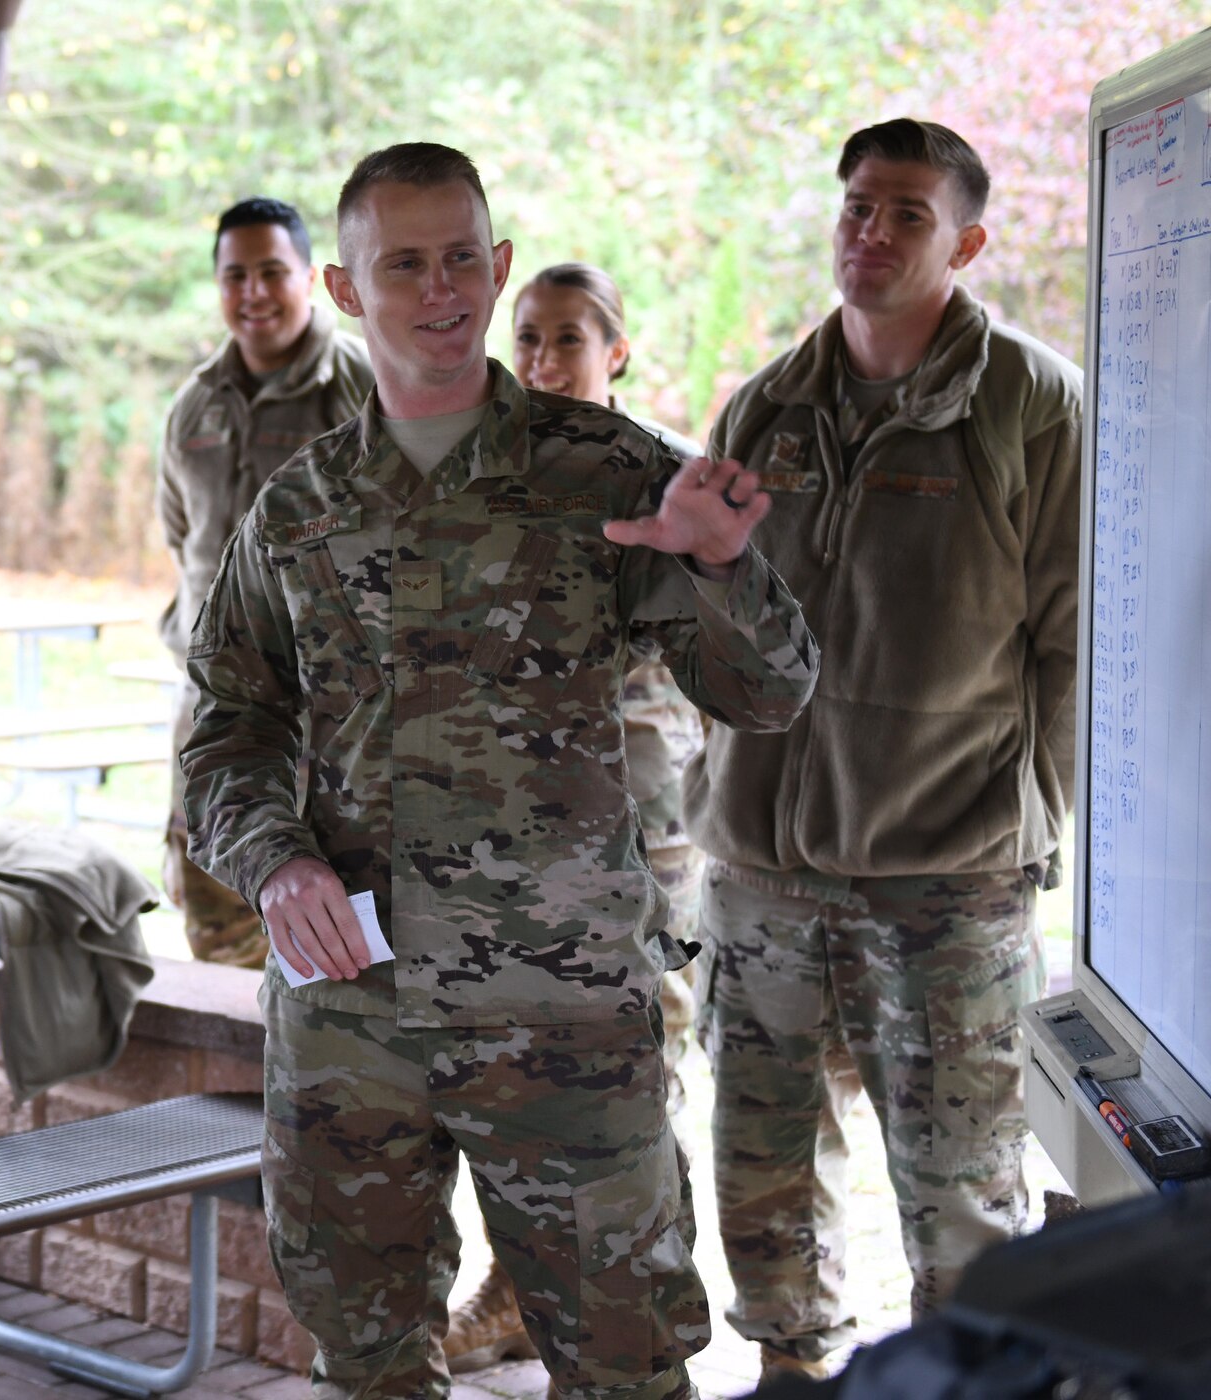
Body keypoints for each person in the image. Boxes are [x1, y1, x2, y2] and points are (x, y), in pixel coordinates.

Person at [182, 141, 820, 1400]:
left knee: (628, 1364)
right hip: (352, 1014)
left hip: (566, 1014)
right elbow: (225, 727)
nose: (439, 289)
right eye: (402, 263)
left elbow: (770, 687)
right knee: (367, 1362)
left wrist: (715, 569)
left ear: (500, 265)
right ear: (346, 288)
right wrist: (273, 855)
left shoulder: (608, 470)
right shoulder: (297, 508)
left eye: (462, 257)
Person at [685, 118, 1082, 1383]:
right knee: (759, 1165)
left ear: (964, 239)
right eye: (855, 205)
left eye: (904, 213)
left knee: (959, 1188)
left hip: (945, 871)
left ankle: (968, 1377)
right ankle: (792, 1369)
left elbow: (1075, 637)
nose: (868, 232)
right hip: (757, 866)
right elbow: (716, 617)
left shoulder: (1027, 400)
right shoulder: (767, 404)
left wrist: (1034, 824)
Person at [442, 263, 717, 1374]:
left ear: (618, 351)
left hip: (637, 829)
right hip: (515, 835)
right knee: (511, 1073)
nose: (546, 361)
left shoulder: (660, 481)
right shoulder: (486, 475)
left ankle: (647, 1315)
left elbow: (732, 654)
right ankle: (513, 1290)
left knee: (635, 1075)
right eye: (530, 339)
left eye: (568, 338)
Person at [157, 196, 372, 967]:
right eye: (235, 275)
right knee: (219, 953)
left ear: (309, 278)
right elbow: (182, 542)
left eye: (272, 272)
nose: (253, 292)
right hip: (212, 728)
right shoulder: (193, 407)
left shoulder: (365, 388)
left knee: (335, 969)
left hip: (335, 739)